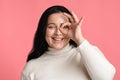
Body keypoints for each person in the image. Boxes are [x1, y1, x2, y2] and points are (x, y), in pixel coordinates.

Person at [21, 5, 116, 80]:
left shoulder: (87, 53)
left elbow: (106, 78)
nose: (58, 32)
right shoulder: (32, 67)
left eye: (64, 26)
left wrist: (79, 39)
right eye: (51, 27)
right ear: (43, 30)